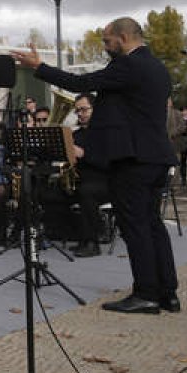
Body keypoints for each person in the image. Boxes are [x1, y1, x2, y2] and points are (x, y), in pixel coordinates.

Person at [11, 17, 179, 314]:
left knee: (136, 226)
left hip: (133, 160)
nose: (105, 46)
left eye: (107, 40)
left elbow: (82, 83)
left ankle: (147, 294)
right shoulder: (158, 68)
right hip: (156, 157)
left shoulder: (128, 65)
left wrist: (40, 67)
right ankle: (167, 292)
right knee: (152, 224)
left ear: (124, 38)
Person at [69, 93, 111, 257]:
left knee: (86, 192)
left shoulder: (106, 133)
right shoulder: (75, 135)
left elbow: (109, 163)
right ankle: (73, 236)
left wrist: (84, 154)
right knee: (50, 192)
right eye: (77, 110)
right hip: (82, 181)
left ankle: (93, 242)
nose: (80, 113)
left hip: (106, 182)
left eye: (84, 109)